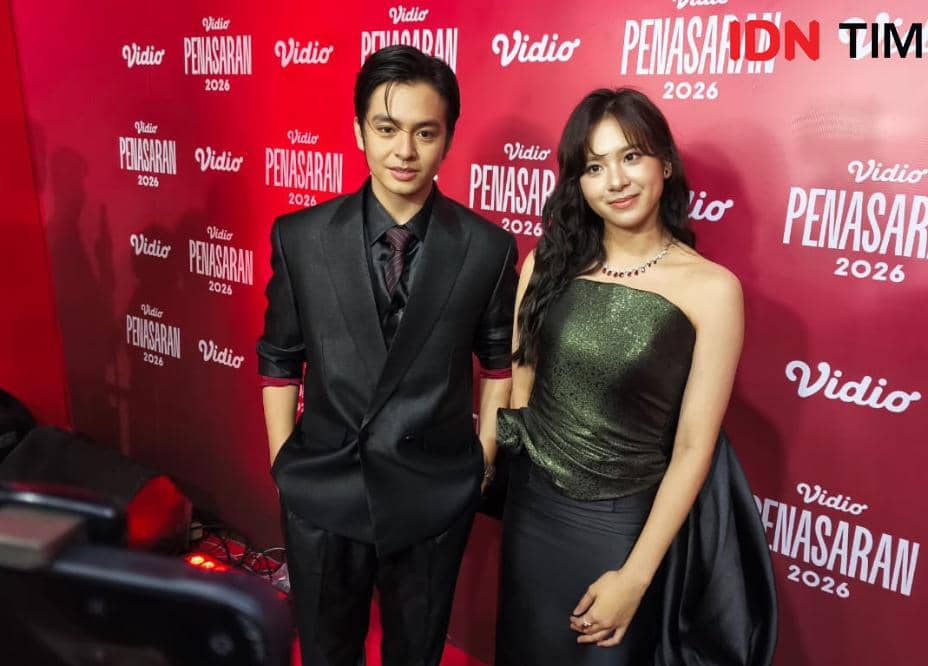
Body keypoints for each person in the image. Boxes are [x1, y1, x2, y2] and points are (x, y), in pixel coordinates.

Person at [495, 88, 777, 665]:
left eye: (631, 157)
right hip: (532, 517)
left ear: (665, 164)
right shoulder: (546, 263)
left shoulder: (712, 289)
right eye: (594, 167)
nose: (616, 181)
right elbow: (523, 380)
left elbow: (694, 446)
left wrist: (636, 576)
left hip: (622, 530)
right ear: (578, 182)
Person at [257, 45, 517, 666]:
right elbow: (279, 359)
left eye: (425, 132)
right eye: (387, 128)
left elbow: (499, 364)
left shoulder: (487, 248)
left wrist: (482, 462)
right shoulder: (301, 237)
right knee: (325, 653)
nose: (405, 150)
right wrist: (285, 466)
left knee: (416, 654)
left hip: (434, 492)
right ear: (358, 131)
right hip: (322, 487)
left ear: (447, 139)